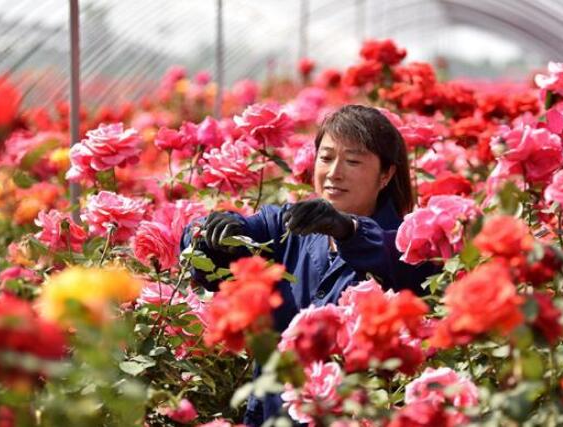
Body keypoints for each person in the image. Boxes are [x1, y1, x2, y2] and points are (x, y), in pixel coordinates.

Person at [180, 104, 436, 426]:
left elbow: (399, 261)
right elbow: (235, 234)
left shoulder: (408, 245)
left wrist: (348, 228)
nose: (334, 172)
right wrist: (213, 231)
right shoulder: (287, 227)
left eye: (353, 161)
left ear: (386, 175)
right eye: (326, 158)